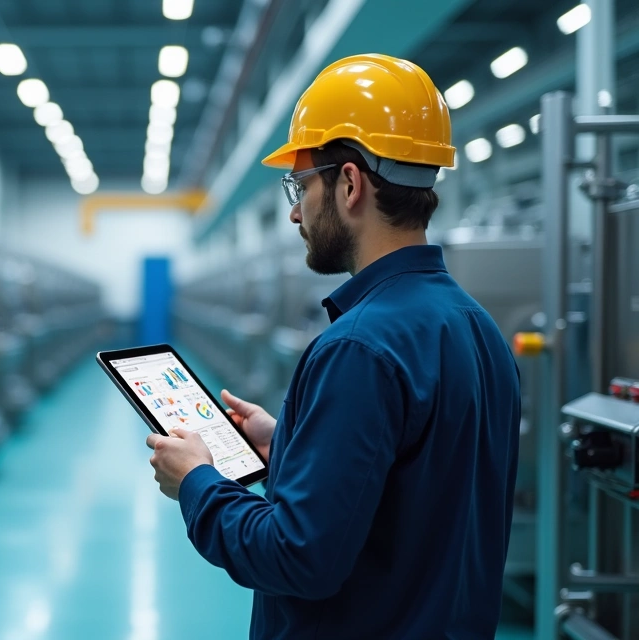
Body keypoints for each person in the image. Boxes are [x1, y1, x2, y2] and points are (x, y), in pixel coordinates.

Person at [147, 54, 521, 639]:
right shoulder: (475, 327)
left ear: (349, 184)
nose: (295, 211)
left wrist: (197, 480)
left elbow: (295, 557)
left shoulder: (358, 347)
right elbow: (413, 491)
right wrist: (292, 442)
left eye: (301, 185)